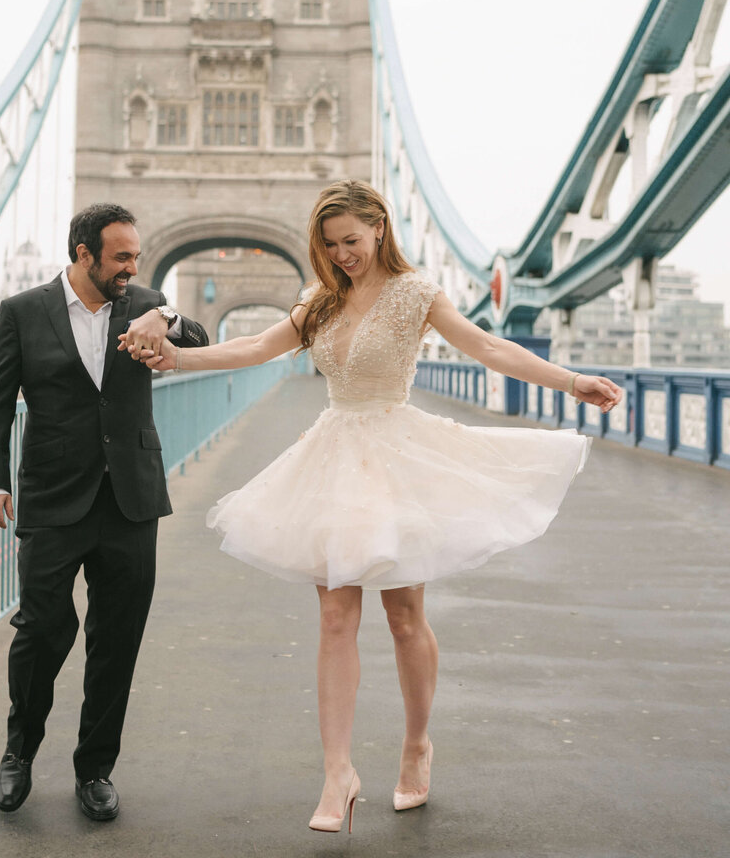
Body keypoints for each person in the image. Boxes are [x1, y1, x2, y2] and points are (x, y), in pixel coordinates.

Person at [124, 180, 622, 835]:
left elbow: (488, 348)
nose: (342, 254)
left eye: (351, 241)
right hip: (333, 455)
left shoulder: (417, 294)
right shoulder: (320, 300)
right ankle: (338, 773)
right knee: (335, 616)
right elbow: (253, 348)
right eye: (330, 245)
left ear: (380, 229)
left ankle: (417, 744)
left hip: (395, 457)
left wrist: (569, 380)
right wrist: (175, 359)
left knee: (405, 616)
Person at [0, 203, 208, 821]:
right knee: (42, 631)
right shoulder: (23, 312)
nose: (133, 268)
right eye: (122, 257)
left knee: (117, 640)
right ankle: (18, 752)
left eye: (137, 256)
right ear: (84, 255)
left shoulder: (147, 302)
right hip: (52, 498)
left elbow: (201, 340)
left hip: (130, 500)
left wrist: (168, 314)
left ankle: (95, 769)